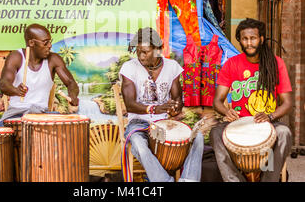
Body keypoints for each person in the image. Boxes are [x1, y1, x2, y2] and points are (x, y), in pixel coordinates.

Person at [119, 27, 209, 182]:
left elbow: (177, 99)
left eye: (145, 51)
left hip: (164, 124)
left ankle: (188, 180)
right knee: (138, 143)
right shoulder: (129, 67)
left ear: (157, 50)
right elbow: (130, 105)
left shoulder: (172, 66)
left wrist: (175, 108)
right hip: (139, 123)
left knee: (198, 137)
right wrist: (154, 108)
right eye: (138, 51)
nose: (141, 56)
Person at [211, 18, 292, 182]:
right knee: (215, 133)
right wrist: (227, 111)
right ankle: (234, 180)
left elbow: (288, 103)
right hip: (239, 122)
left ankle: (269, 180)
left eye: (253, 38)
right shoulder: (231, 64)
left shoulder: (276, 63)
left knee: (284, 133)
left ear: (261, 39)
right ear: (240, 40)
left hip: (268, 122)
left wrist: (270, 117)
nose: (249, 43)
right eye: (245, 39)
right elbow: (217, 101)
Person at [0, 23, 79, 126]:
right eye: (45, 42)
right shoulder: (16, 57)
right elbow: (4, 84)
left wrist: (73, 96)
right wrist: (16, 90)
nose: (50, 45)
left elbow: (71, 83)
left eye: (50, 41)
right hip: (16, 113)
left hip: (42, 114)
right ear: (31, 43)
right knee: (0, 132)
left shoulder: (53, 59)